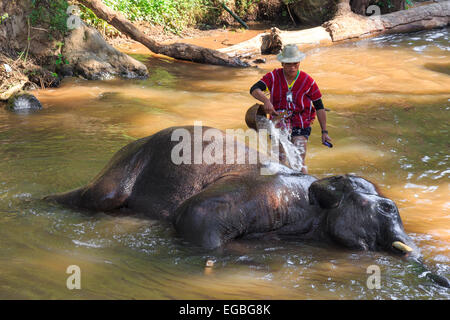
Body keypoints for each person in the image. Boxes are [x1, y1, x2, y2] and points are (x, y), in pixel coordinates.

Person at [249, 44, 331, 174]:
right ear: (282, 63)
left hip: (301, 121)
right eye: (288, 64)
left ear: (299, 62)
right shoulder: (273, 77)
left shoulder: (308, 81)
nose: (292, 67)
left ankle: (303, 186)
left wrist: (324, 132)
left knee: (299, 160)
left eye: (295, 64)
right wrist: (266, 101)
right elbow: (254, 89)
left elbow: (319, 106)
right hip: (278, 121)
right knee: (281, 159)